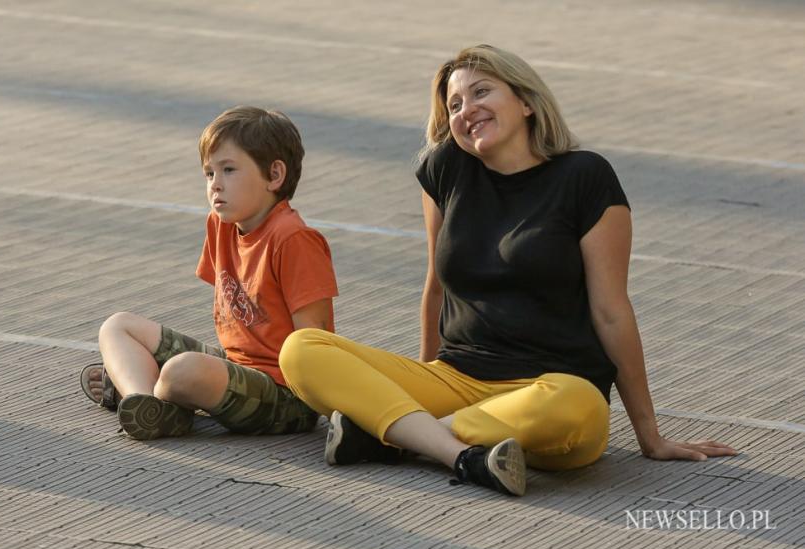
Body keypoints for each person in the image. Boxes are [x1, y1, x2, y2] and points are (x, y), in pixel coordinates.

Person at [279, 45, 736, 496]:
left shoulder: (585, 177)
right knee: (302, 350)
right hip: (456, 378)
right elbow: (435, 288)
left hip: (549, 388)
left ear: (526, 102)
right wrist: (421, 382)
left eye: (481, 92)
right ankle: (456, 449)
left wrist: (649, 436)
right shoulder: (446, 167)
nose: (466, 110)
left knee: (580, 408)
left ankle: (406, 438)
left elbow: (612, 311)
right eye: (454, 104)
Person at [79, 106, 338, 440]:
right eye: (209, 174)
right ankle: (144, 403)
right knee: (118, 326)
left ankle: (145, 390)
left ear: (274, 176)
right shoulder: (220, 224)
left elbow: (314, 343)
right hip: (233, 367)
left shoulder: (293, 239)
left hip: (285, 394)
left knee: (183, 370)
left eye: (228, 170)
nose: (215, 185)